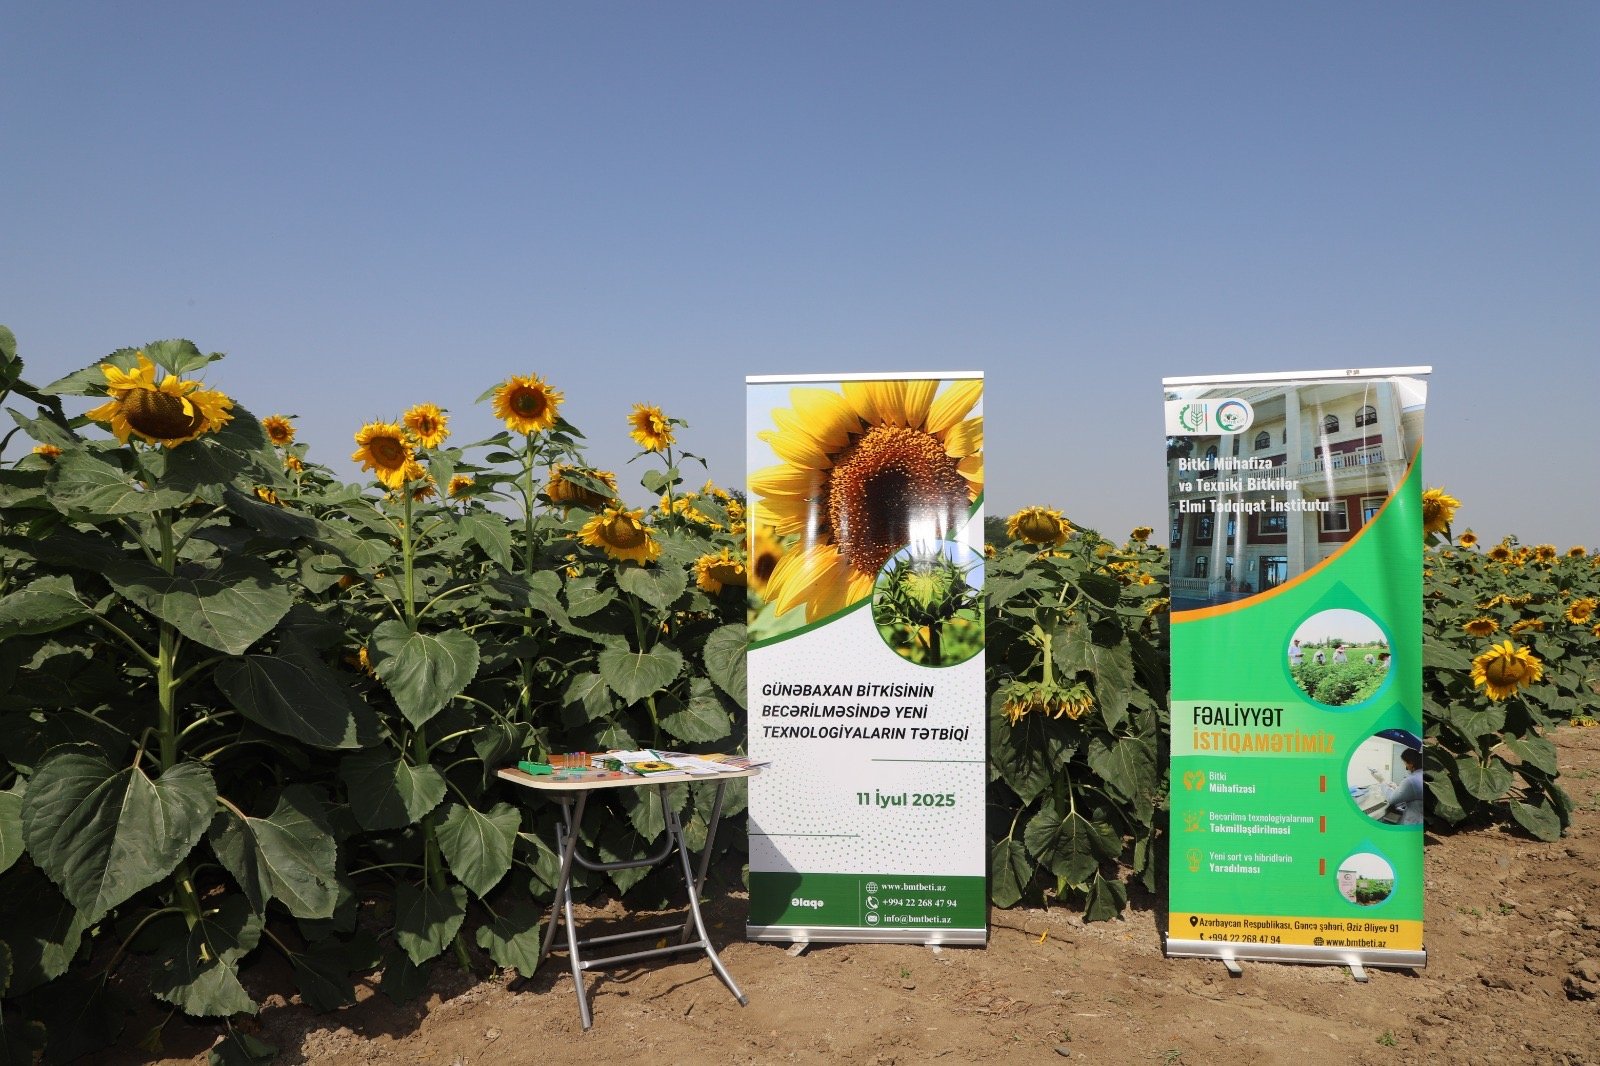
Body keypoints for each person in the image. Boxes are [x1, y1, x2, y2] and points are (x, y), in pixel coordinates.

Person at [1384, 748, 1424, 825]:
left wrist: (1382, 781)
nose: (1405, 765)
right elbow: (1414, 792)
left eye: (1404, 762)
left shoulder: (1411, 780)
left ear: (1411, 763)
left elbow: (1391, 799)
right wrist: (1397, 788)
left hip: (1414, 821)